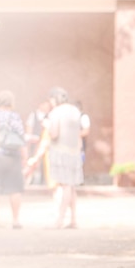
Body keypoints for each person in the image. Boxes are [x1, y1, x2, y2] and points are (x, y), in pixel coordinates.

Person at [28, 87, 84, 229]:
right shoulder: (75, 111)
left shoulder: (56, 112)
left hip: (61, 152)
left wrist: (47, 124)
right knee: (71, 186)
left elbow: (54, 134)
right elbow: (79, 133)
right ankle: (74, 219)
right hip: (74, 152)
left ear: (54, 99)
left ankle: (60, 219)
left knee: (64, 186)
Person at [0, 91, 27, 229]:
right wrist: (25, 157)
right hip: (11, 156)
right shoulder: (13, 117)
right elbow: (21, 137)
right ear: (11, 103)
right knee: (15, 188)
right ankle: (15, 220)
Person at [25, 100, 51, 185]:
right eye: (46, 105)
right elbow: (29, 128)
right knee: (33, 161)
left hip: (46, 143)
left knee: (44, 163)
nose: (47, 108)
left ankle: (43, 180)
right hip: (34, 143)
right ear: (41, 105)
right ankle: (31, 180)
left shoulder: (50, 116)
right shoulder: (33, 115)